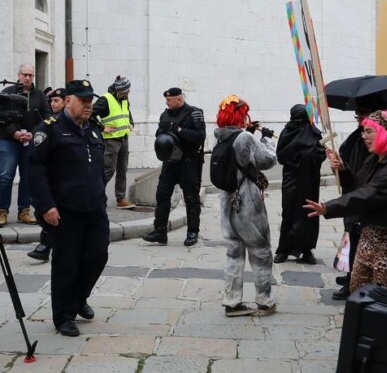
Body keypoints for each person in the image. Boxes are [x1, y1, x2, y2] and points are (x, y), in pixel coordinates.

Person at [28, 80, 110, 337]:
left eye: (90, 100)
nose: (88, 105)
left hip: (94, 208)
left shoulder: (94, 130)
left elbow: (97, 168)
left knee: (98, 256)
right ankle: (63, 315)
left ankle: (78, 298)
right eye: (83, 100)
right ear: (67, 101)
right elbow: (35, 170)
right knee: (67, 263)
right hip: (64, 210)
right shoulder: (49, 130)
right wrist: (46, 206)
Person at [307, 111, 387, 292]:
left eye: (369, 131)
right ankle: (360, 319)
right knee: (358, 286)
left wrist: (329, 207)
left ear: (384, 132)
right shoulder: (374, 158)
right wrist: (343, 168)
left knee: (381, 292)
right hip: (371, 230)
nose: (363, 136)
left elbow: (368, 195)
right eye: (363, 131)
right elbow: (357, 185)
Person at [212, 95, 278, 316]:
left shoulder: (219, 137)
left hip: (226, 202)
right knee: (261, 252)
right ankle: (265, 300)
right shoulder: (245, 138)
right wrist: (267, 139)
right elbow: (267, 160)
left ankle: (232, 302)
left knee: (234, 253)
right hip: (247, 202)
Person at [143, 87, 206, 246]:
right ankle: (160, 231)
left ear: (179, 99)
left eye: (170, 100)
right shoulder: (165, 114)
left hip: (188, 162)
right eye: (166, 100)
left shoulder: (194, 113)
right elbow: (159, 133)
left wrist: (179, 130)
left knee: (191, 197)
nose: (167, 102)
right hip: (170, 162)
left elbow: (199, 136)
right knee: (162, 195)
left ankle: (192, 232)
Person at [331, 104, 381, 296]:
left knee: (365, 243)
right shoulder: (355, 138)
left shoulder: (386, 148)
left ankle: (362, 283)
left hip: (370, 202)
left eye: (363, 114)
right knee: (353, 237)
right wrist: (341, 166)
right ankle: (352, 279)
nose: (359, 117)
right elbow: (352, 174)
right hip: (354, 197)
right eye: (358, 115)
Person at [0, 63, 47, 226]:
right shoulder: (6, 93)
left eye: (30, 75)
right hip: (8, 141)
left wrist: (33, 133)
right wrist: (14, 133)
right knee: (5, 176)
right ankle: (2, 212)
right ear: (18, 75)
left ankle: (24, 211)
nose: (27, 78)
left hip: (30, 142)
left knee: (27, 177)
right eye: (24, 74)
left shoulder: (40, 96)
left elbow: (46, 118)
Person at [275, 104, 326, 264]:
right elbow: (281, 156)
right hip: (291, 178)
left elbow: (320, 153)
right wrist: (298, 157)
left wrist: (311, 155)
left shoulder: (313, 131)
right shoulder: (287, 132)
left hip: (309, 179)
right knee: (288, 211)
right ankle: (284, 249)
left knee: (308, 212)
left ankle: (307, 249)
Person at [26, 87, 64, 263]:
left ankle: (46, 246)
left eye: (57, 101)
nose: (53, 103)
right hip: (50, 177)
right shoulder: (49, 123)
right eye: (52, 101)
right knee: (44, 210)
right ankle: (46, 245)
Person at [92, 75, 135, 208]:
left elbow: (127, 112)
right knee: (107, 170)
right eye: (126, 90)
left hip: (124, 138)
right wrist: (103, 127)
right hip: (111, 141)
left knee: (122, 170)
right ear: (120, 90)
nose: (128, 93)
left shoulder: (124, 98)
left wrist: (131, 123)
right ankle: (95, 197)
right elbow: (90, 115)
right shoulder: (105, 100)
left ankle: (121, 199)